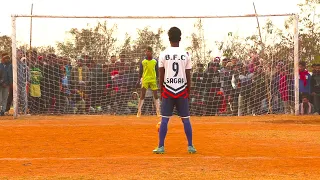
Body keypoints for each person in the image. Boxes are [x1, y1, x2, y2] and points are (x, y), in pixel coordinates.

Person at [153, 27, 196, 154]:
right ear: (180, 38)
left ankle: (161, 146)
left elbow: (161, 74)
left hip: (168, 89)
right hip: (182, 89)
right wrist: (188, 90)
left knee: (165, 119)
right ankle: (190, 146)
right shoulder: (186, 54)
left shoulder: (163, 54)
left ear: (169, 38)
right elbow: (188, 75)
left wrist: (162, 90)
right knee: (186, 118)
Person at [136, 47, 160, 117]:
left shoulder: (155, 61)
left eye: (149, 51)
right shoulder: (143, 61)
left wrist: (157, 79)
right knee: (142, 95)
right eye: (146, 51)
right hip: (145, 79)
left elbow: (157, 71)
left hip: (153, 79)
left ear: (151, 52)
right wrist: (139, 79)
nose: (147, 52)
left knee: (155, 95)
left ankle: (158, 111)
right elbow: (140, 71)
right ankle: (139, 111)